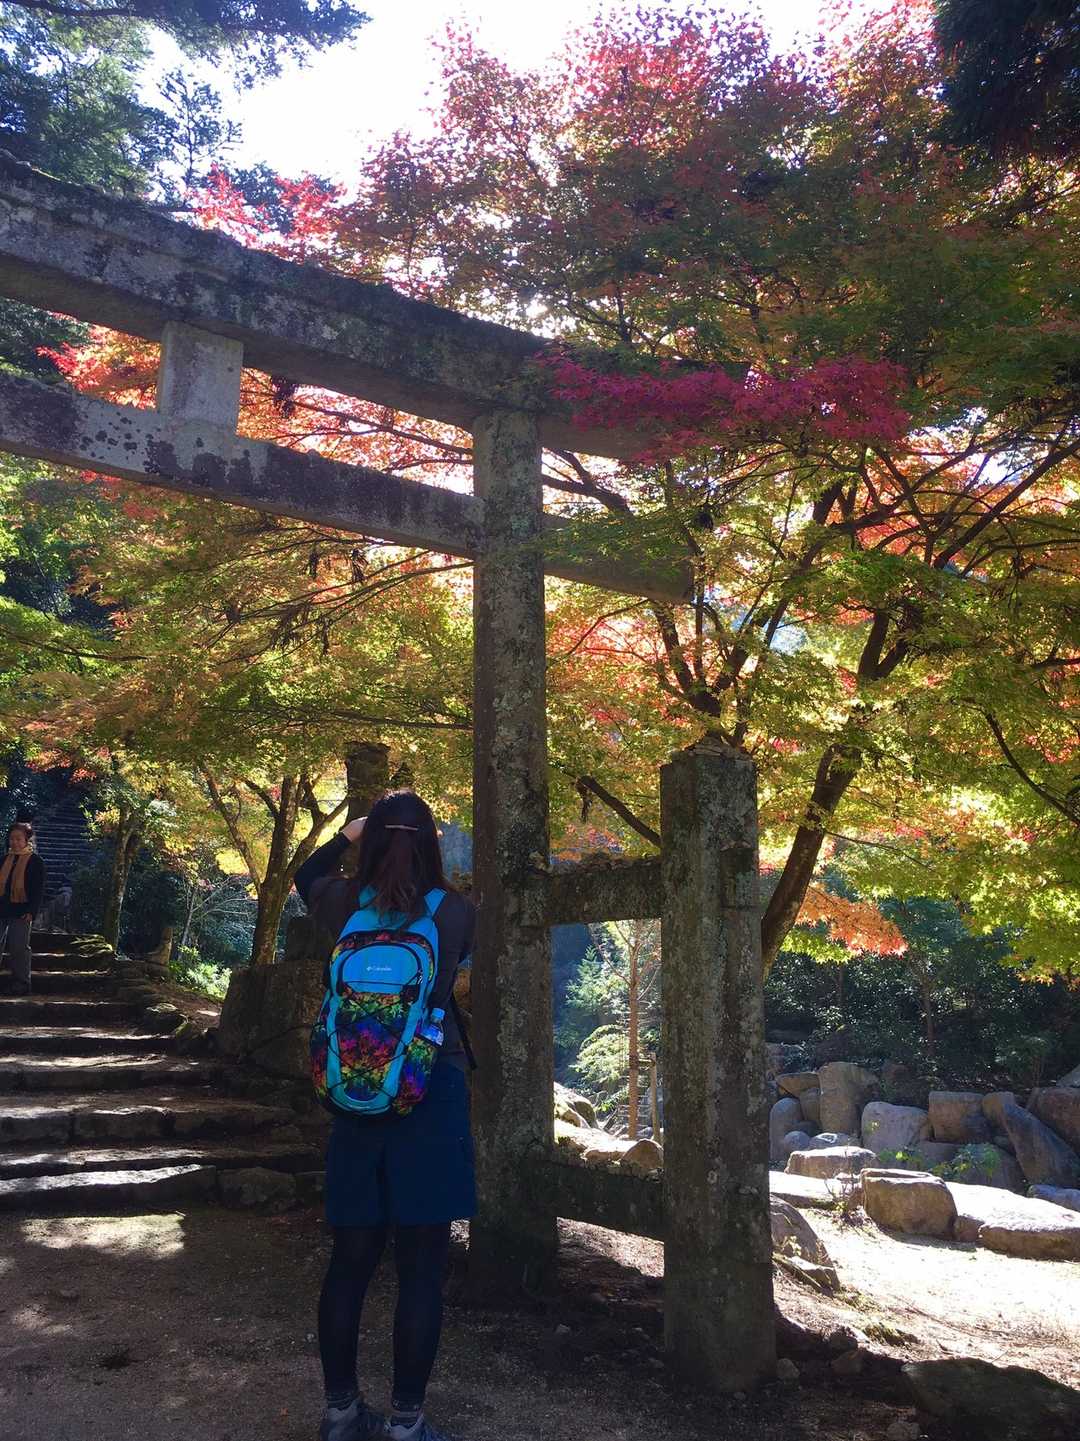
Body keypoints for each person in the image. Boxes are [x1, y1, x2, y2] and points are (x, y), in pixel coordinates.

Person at [294, 790, 476, 1441]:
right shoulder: (454, 912)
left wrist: (349, 834)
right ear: (432, 845)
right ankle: (406, 1422)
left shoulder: (343, 903)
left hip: (354, 1096)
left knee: (350, 1259)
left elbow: (305, 875)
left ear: (371, 843)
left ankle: (342, 1413)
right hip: (429, 1090)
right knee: (422, 1265)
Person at [0, 822, 45, 995]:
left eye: (18, 839)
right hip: (2, 908)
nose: (14, 842)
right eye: (12, 838)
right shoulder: (4, 860)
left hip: (22, 911)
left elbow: (38, 889)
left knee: (19, 947)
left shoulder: (35, 861)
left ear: (27, 840)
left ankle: (21, 983)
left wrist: (32, 911)